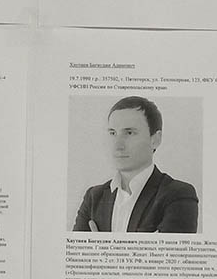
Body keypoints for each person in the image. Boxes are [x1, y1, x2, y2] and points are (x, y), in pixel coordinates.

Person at [73, 96, 199, 233]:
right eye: (113, 133)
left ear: (155, 140)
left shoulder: (177, 195)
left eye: (129, 133)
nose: (118, 145)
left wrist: (101, 244)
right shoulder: (93, 197)